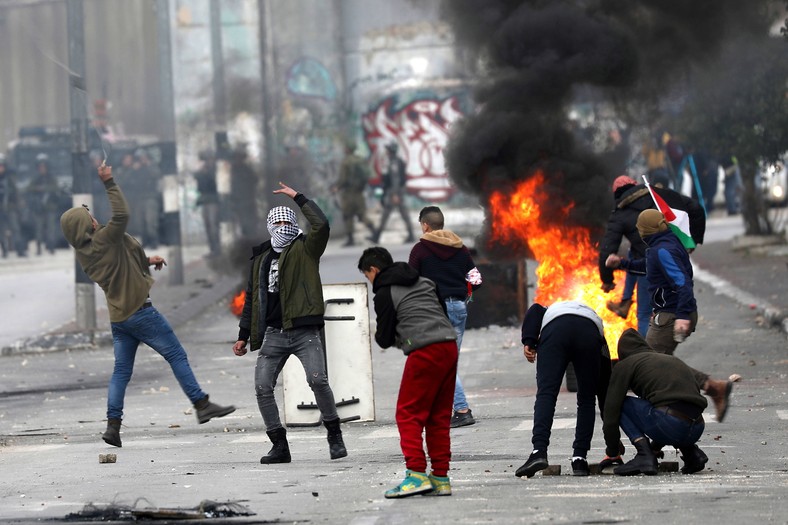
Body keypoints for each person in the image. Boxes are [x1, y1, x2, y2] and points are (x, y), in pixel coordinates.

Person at [59, 162, 235, 448]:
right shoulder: (106, 238)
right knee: (177, 355)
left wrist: (145, 261)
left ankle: (113, 427)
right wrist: (109, 182)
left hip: (119, 320)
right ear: (86, 225)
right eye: (88, 216)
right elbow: (122, 214)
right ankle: (201, 404)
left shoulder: (86, 252)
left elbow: (119, 266)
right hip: (141, 314)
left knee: (121, 373)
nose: (93, 217)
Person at [232, 182, 347, 464]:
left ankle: (334, 434)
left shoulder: (306, 248)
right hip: (273, 334)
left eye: (287, 221)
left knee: (317, 380)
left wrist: (298, 197)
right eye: (278, 221)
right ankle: (279, 445)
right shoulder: (260, 257)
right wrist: (243, 335)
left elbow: (322, 225)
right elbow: (253, 299)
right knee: (262, 388)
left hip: (304, 331)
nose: (283, 225)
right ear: (270, 226)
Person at [605, 209, 733, 422]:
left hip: (670, 315)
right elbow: (649, 268)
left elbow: (682, 282)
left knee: (647, 363)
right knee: (661, 362)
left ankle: (697, 398)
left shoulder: (662, 249)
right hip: (672, 313)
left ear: (646, 230)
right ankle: (712, 388)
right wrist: (623, 264)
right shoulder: (664, 245)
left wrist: (681, 316)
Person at [358, 246, 458, 497]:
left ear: (373, 270)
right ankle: (440, 478)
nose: (369, 281)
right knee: (438, 416)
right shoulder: (425, 281)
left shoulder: (384, 291)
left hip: (424, 352)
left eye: (366, 275)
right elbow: (441, 315)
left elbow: (383, 337)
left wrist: (403, 340)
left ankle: (415, 474)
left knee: (408, 414)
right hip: (448, 346)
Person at [599, 175, 706, 335]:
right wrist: (693, 241)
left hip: (652, 264)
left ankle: (648, 353)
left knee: (644, 315)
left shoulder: (621, 213)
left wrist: (607, 279)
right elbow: (696, 208)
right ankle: (627, 302)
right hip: (670, 256)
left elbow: (607, 250)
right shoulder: (659, 195)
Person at [515, 301, 612, 478]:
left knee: (546, 394)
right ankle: (580, 459)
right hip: (588, 334)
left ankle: (539, 451)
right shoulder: (594, 319)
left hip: (555, 332)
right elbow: (604, 388)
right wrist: (612, 443)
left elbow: (535, 310)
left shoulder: (550, 309)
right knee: (587, 398)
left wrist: (529, 341)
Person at [408, 205, 482, 428]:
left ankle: (462, 409)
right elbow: (477, 280)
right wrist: (463, 292)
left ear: (425, 225)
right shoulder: (461, 249)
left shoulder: (420, 251)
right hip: (459, 309)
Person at [601, 328, 709, 476]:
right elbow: (674, 405)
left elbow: (610, 412)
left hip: (671, 424)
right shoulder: (667, 359)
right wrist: (655, 447)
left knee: (622, 404)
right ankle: (693, 454)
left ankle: (644, 456)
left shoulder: (626, 364)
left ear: (623, 353)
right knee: (671, 409)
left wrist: (612, 451)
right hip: (697, 428)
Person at [370, 143, 414, 244]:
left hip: (395, 193)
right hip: (395, 192)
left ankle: (377, 236)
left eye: (387, 150)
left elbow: (395, 180)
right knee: (396, 213)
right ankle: (376, 236)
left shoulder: (394, 162)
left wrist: (395, 194)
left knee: (391, 213)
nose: (386, 152)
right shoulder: (393, 161)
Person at [333, 140, 375, 247]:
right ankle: (375, 231)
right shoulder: (360, 160)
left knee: (348, 215)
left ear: (347, 149)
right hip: (359, 192)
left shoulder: (345, 161)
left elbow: (343, 179)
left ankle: (350, 239)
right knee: (362, 215)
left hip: (348, 193)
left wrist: (337, 187)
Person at [28, 153, 61, 255]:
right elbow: (29, 188)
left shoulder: (51, 178)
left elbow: (55, 188)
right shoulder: (36, 178)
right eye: (40, 167)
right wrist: (38, 189)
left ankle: (51, 247)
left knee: (51, 229)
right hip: (39, 208)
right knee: (39, 229)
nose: (42, 169)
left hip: (49, 207)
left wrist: (46, 189)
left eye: (44, 166)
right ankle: (38, 248)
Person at [194, 150, 221, 257]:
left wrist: (206, 171)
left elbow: (214, 182)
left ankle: (217, 249)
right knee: (208, 226)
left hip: (213, 200)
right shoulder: (201, 171)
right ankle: (213, 249)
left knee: (213, 226)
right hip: (205, 200)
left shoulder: (214, 170)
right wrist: (200, 170)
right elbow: (197, 180)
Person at [229, 145, 260, 239]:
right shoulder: (232, 170)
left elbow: (255, 180)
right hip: (238, 201)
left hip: (248, 200)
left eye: (240, 157)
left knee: (250, 224)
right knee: (242, 224)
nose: (238, 159)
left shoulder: (247, 169)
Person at [0, 154, 27, 257]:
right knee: (1, 231)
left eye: (2, 166)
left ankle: (20, 250)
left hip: (10, 207)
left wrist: (18, 203)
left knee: (15, 229)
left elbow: (16, 192)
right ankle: (5, 250)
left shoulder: (9, 178)